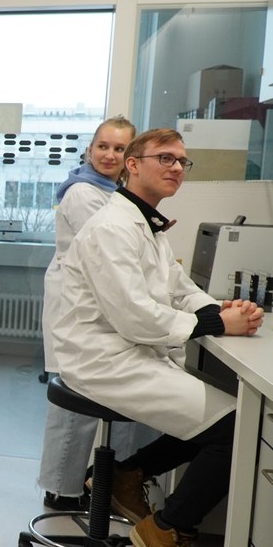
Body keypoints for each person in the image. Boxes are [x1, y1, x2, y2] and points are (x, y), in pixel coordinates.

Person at [52, 128, 264, 547]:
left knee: (233, 417)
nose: (177, 168)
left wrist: (223, 310)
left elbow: (180, 288)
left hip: (131, 352)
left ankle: (128, 474)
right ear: (133, 165)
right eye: (165, 158)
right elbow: (135, 317)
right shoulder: (111, 228)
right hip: (104, 360)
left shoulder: (147, 226)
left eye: (182, 161)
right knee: (235, 429)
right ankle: (166, 530)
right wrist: (220, 325)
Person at [38, 116, 137, 510]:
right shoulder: (83, 192)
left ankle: (81, 482)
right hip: (76, 305)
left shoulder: (112, 192)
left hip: (89, 304)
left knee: (82, 395)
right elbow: (109, 249)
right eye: (103, 146)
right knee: (73, 400)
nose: (109, 155)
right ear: (90, 149)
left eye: (119, 148)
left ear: (131, 157)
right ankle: (61, 491)